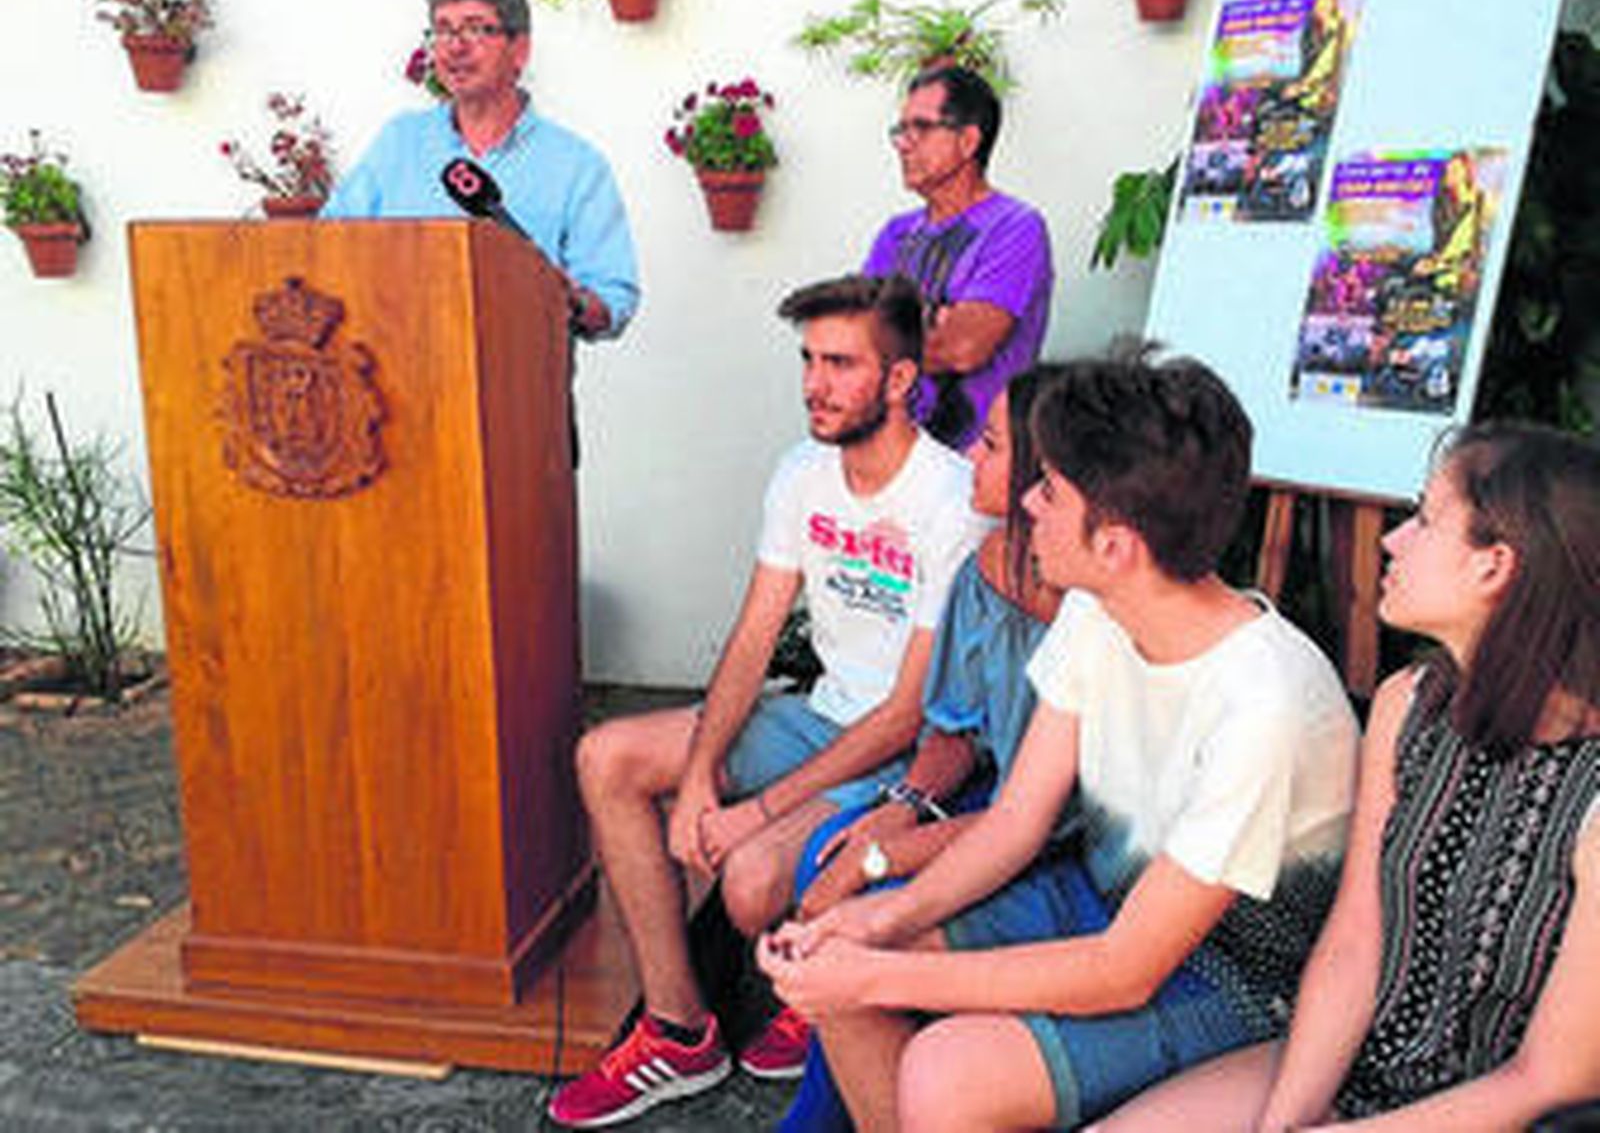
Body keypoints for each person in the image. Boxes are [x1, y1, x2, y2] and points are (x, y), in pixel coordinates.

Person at [760, 345, 1361, 1133]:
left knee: (939, 1066)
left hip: (1234, 977)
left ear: (1114, 543)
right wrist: (875, 926)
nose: (1027, 504)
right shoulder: (1100, 606)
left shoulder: (1266, 704)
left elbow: (1125, 970)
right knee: (840, 952)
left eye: (1048, 488)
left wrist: (876, 970)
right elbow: (1016, 822)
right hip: (1103, 900)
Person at [548, 274, 989, 1129]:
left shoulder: (948, 500)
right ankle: (678, 1026)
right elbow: (754, 636)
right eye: (808, 360)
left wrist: (760, 814)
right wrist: (705, 776)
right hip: (819, 715)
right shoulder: (802, 473)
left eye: (840, 363)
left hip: (899, 748)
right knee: (608, 755)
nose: (815, 385)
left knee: (749, 884)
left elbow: (907, 713)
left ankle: (823, 969)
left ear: (901, 381)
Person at [1093, 422, 1600, 1133]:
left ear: (1495, 566)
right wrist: (1287, 1116)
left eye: (1424, 520)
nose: (1392, 540)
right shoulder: (1408, 703)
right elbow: (1356, 938)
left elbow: (1550, 1078)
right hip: (1361, 1060)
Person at [779, 364, 1066, 1133]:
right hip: (985, 800)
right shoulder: (988, 566)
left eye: (994, 444)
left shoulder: (1098, 612)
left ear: (1047, 479)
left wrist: (887, 854)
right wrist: (903, 806)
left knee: (850, 884)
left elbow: (1046, 818)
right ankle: (833, 1092)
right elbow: (953, 726)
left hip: (1048, 836)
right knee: (826, 852)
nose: (970, 452)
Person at [322, 0, 639, 339]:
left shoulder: (577, 166)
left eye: (475, 28)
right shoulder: (399, 142)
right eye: (443, 30)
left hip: (521, 383)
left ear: (519, 49)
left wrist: (573, 302)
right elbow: (328, 242)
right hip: (398, 378)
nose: (455, 46)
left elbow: (613, 298)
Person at [862, 65, 1053, 451]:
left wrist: (894, 333)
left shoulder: (1015, 228)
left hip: (973, 470)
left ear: (968, 141)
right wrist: (933, 322)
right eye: (901, 130)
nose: (904, 143)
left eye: (922, 127)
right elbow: (855, 338)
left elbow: (963, 349)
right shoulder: (895, 234)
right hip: (889, 456)